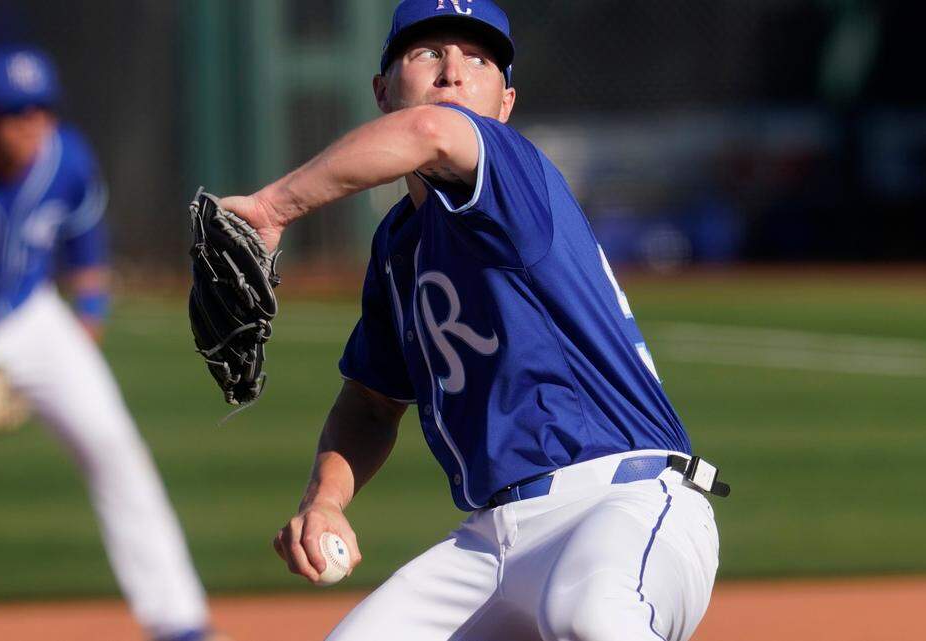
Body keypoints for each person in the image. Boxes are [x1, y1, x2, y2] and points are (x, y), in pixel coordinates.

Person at [222, 2, 727, 639]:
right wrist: (323, 501)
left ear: (505, 103)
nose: (453, 72)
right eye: (427, 53)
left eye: (478, 59)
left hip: (622, 502)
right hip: (491, 541)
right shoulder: (398, 245)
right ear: (381, 90)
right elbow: (373, 403)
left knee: (593, 622)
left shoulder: (513, 171)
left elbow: (432, 131)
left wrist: (271, 208)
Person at [0, 45, 223, 641]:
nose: (31, 125)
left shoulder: (67, 160)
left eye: (41, 110)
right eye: (15, 113)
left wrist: (87, 326)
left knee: (114, 447)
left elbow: (86, 250)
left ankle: (180, 625)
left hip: (28, 320)